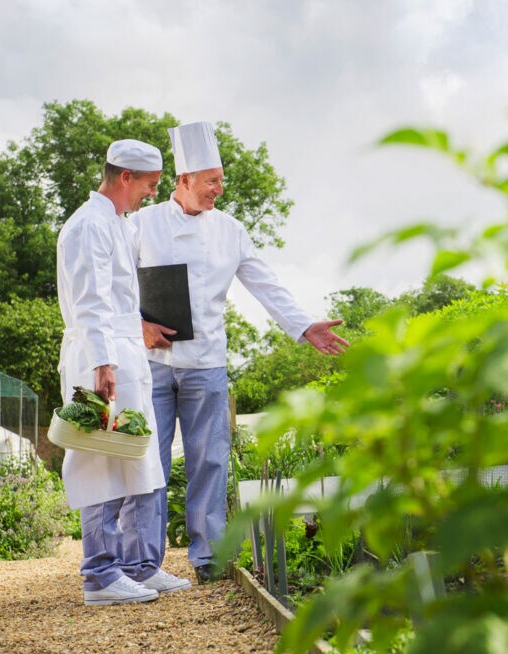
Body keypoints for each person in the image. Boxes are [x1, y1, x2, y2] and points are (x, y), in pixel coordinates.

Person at [131, 121, 348, 583]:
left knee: (209, 459)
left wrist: (304, 325)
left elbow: (264, 282)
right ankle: (143, 563)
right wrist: (139, 325)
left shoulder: (229, 230)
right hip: (150, 363)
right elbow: (114, 285)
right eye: (211, 180)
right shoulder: (141, 224)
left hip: (207, 363)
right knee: (149, 458)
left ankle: (207, 557)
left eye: (221, 179)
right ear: (184, 180)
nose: (219, 189)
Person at [56, 139, 192, 605]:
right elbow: (91, 298)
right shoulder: (88, 226)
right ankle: (99, 574)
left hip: (123, 355)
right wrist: (101, 363)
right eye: (150, 185)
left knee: (136, 456)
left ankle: (136, 567)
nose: (152, 194)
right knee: (100, 459)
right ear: (125, 178)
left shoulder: (115, 223)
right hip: (100, 359)